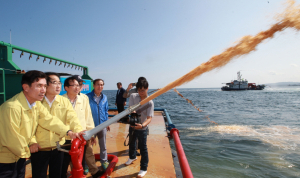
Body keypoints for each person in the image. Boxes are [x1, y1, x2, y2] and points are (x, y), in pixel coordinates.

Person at [0, 70, 81, 178]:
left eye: (44, 86)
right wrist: (31, 153)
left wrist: (68, 132)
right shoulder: (12, 108)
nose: (43, 90)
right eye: (39, 86)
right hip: (7, 161)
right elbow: (12, 139)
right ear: (26, 87)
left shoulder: (35, 104)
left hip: (20, 157)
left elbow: (49, 120)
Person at [29, 72, 83, 178]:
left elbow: (72, 118)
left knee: (57, 174)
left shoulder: (64, 101)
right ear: (46, 85)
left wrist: (78, 130)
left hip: (58, 147)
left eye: (59, 83)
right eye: (54, 83)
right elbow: (30, 125)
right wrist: (32, 142)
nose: (58, 86)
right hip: (39, 148)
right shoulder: (36, 102)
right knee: (39, 175)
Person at [63, 77, 103, 178]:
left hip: (84, 133)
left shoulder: (84, 98)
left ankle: (94, 171)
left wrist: (91, 133)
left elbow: (88, 116)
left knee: (89, 153)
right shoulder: (61, 100)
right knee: (71, 156)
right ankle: (75, 172)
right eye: (75, 85)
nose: (78, 87)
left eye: (79, 85)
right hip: (68, 135)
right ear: (66, 88)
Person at [125, 78, 154, 178]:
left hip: (142, 128)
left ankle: (143, 168)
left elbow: (149, 118)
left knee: (143, 148)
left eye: (143, 90)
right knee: (131, 143)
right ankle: (132, 157)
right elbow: (129, 109)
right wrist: (132, 113)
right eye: (139, 90)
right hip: (133, 125)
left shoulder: (150, 102)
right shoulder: (133, 96)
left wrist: (142, 125)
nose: (141, 92)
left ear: (147, 89)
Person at [86, 79, 110, 171]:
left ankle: (104, 161)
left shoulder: (105, 97)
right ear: (93, 85)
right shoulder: (87, 97)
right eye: (98, 84)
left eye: (101, 85)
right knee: (88, 147)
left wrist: (107, 122)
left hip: (102, 125)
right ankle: (87, 164)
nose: (100, 87)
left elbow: (106, 111)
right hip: (91, 127)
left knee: (103, 145)